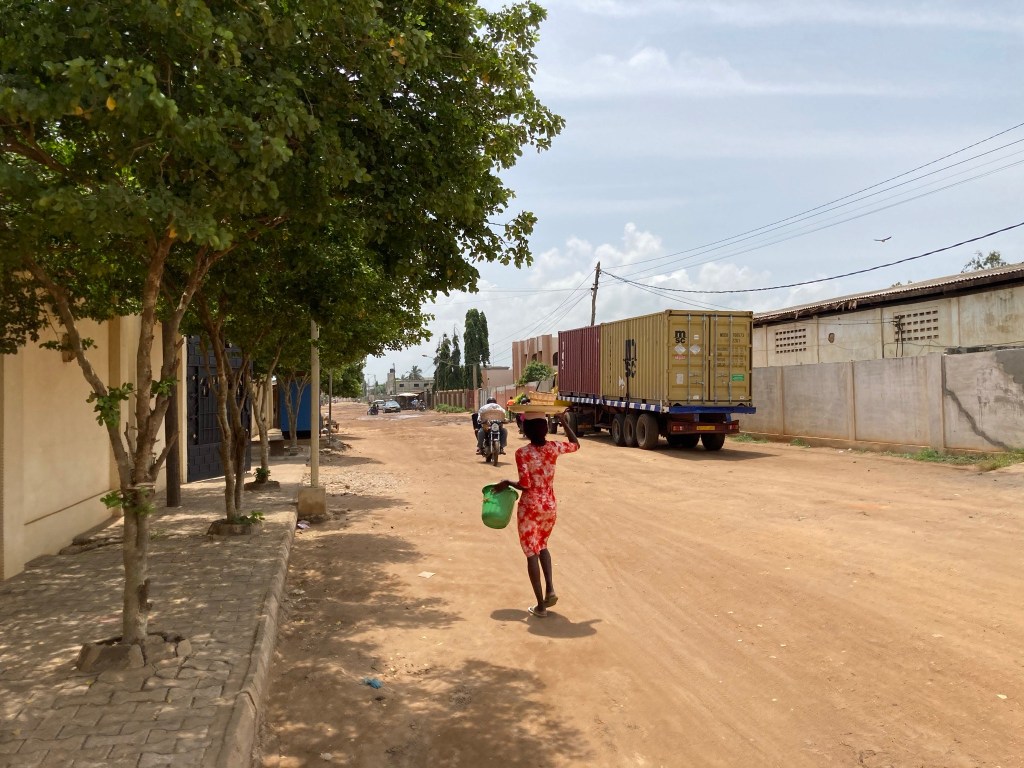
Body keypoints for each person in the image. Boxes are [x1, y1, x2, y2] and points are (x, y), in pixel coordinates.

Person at [493, 412, 580, 617]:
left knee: (531, 552)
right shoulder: (553, 448)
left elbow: (525, 484)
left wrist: (506, 482)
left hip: (530, 506)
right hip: (549, 505)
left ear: (526, 431)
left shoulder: (522, 453)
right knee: (542, 545)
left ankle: (541, 606)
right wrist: (563, 421)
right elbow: (575, 444)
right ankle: (550, 589)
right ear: (546, 429)